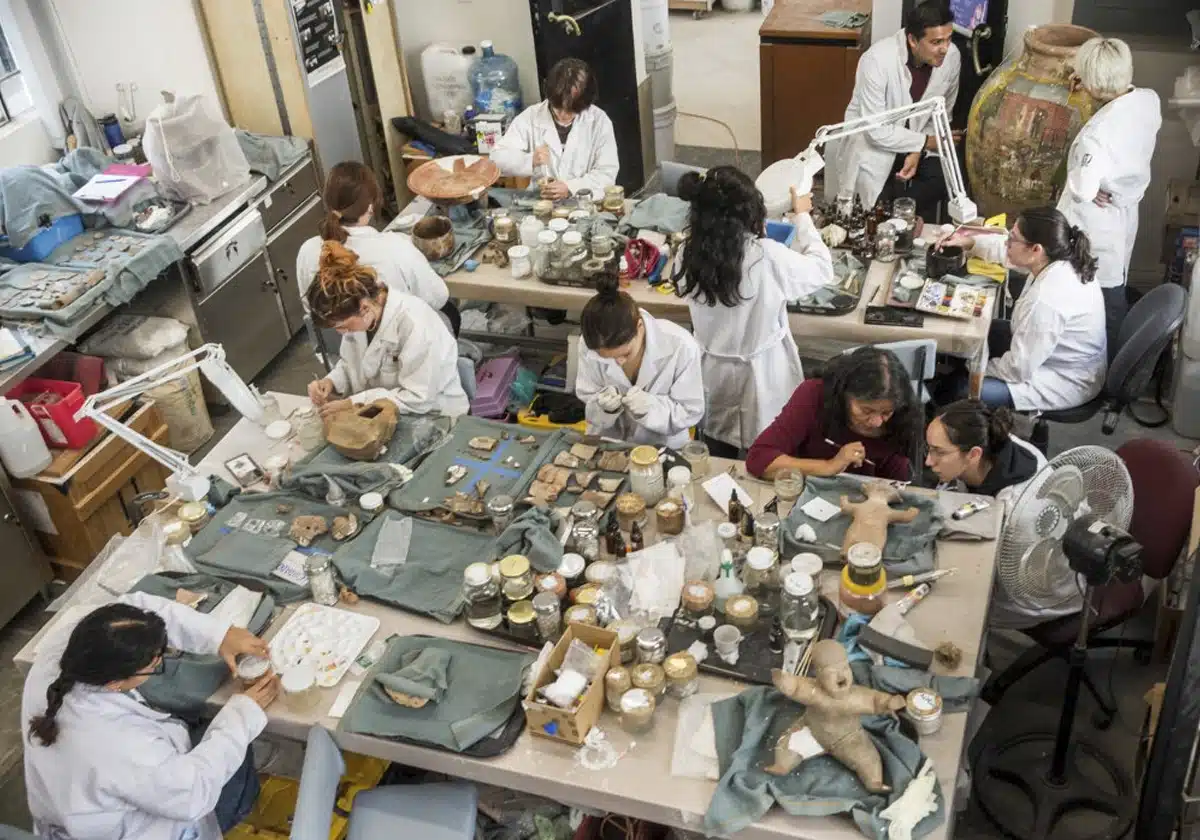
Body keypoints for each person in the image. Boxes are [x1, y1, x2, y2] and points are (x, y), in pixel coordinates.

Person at [22, 593, 278, 840]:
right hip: (145, 828)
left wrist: (219, 635)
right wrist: (242, 714)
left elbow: (132, 610)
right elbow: (192, 791)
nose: (159, 662)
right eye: (154, 666)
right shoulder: (117, 744)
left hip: (82, 803)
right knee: (237, 761)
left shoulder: (66, 648)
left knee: (211, 732)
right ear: (115, 683)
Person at [674, 166, 834, 458]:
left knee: (716, 448)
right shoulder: (766, 255)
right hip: (762, 374)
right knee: (768, 451)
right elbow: (822, 269)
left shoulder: (687, 253)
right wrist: (802, 217)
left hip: (713, 371)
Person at [938, 207, 1106, 412]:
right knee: (967, 333)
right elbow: (1009, 251)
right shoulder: (1058, 256)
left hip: (1063, 380)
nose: (1007, 242)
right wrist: (969, 242)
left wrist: (974, 368)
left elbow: (1018, 369)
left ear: (1036, 249)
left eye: (1013, 238)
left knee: (959, 390)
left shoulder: (1048, 299)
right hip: (1043, 354)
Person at [1058, 37, 1161, 356]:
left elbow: (1083, 190)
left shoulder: (1097, 134)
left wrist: (1085, 180)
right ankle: (1112, 365)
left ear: (1089, 81)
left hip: (1095, 223)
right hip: (1123, 209)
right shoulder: (1148, 101)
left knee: (1097, 299)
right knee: (1114, 287)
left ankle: (1100, 371)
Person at [824, 0, 960, 220]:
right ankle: (892, 219)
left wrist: (917, 150)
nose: (944, 48)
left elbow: (939, 114)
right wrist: (924, 142)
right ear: (913, 40)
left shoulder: (952, 57)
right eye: (936, 42)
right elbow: (875, 130)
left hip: (917, 140)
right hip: (873, 145)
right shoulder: (877, 61)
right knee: (872, 209)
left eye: (948, 39)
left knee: (943, 179)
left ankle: (901, 220)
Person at [306, 241, 470, 417]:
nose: (341, 332)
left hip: (433, 414)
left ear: (364, 307)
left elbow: (418, 398)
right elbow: (352, 365)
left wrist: (353, 403)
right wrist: (332, 381)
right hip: (383, 413)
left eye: (342, 326)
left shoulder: (415, 325)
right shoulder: (361, 316)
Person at [296, 161, 452, 328]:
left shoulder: (307, 251)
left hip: (341, 340)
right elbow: (439, 297)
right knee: (450, 313)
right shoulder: (395, 247)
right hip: (396, 338)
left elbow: (312, 309)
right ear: (370, 207)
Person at [746, 346, 919, 481]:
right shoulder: (813, 395)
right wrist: (829, 466)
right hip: (807, 491)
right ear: (844, 394)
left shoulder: (903, 415)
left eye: (886, 413)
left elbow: (902, 483)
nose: (876, 422)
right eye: (866, 410)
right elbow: (759, 460)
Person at [574, 276, 705, 448]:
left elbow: (690, 411)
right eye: (606, 357)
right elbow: (588, 397)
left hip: (661, 447)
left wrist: (651, 407)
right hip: (608, 443)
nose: (618, 363)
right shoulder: (590, 344)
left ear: (639, 327)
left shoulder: (681, 346)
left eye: (625, 354)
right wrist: (603, 408)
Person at [491, 58, 619, 201]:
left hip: (584, 202)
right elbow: (496, 159)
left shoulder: (599, 121)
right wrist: (530, 160)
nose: (563, 115)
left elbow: (607, 173)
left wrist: (570, 187)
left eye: (571, 110)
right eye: (558, 107)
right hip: (541, 202)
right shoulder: (531, 117)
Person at [925, 399, 1045, 506]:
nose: (928, 462)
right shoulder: (989, 435)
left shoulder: (1012, 505)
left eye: (939, 452)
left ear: (973, 454)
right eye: (929, 448)